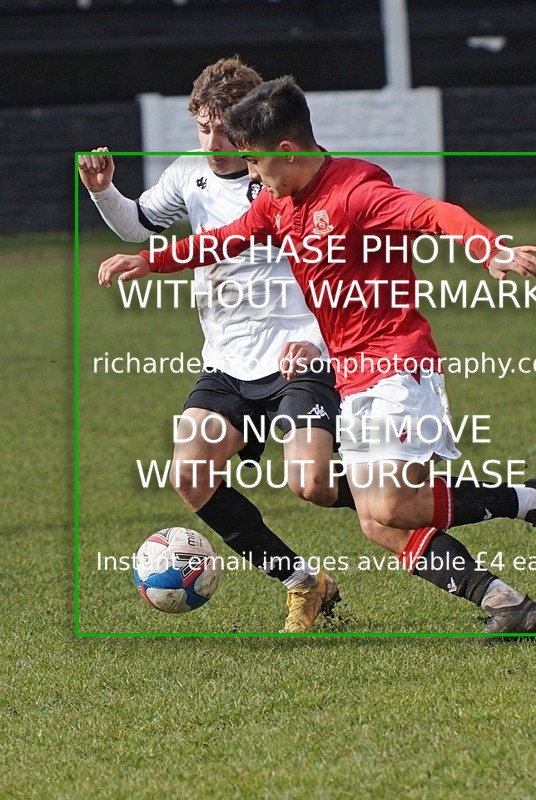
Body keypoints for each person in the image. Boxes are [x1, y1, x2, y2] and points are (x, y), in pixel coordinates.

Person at [98, 76, 536, 635]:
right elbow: (225, 239)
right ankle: (509, 599)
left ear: (286, 152)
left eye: (256, 166)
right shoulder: (281, 204)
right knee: (378, 522)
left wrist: (488, 249)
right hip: (352, 375)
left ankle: (530, 501)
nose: (252, 178)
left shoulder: (355, 192)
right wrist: (150, 263)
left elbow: (432, 213)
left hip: (398, 364)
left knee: (388, 505)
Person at [80, 58, 353, 632]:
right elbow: (138, 225)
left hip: (296, 356)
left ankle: (413, 502)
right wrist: (106, 194)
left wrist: (313, 338)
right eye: (203, 126)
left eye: (224, 127)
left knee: (312, 484)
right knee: (190, 476)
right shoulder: (188, 176)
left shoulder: (285, 177)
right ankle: (304, 583)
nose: (213, 140)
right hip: (227, 363)